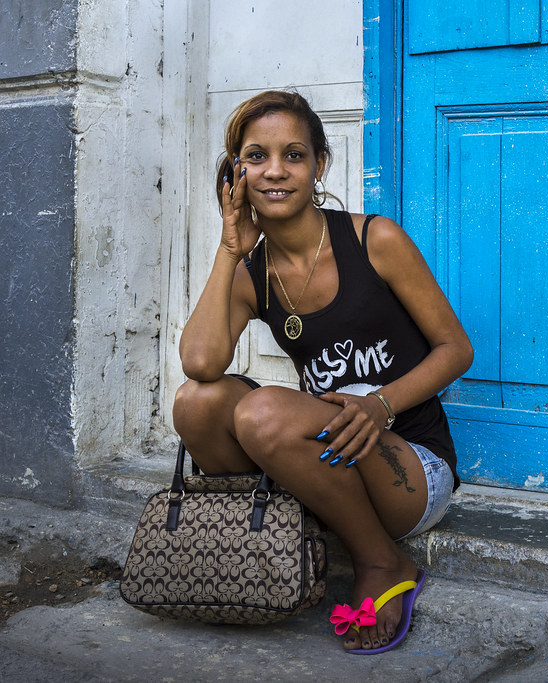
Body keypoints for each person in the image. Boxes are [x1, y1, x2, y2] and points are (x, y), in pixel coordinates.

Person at [172, 90, 473, 654]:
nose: (275, 171)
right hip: (328, 461)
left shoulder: (373, 239)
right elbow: (201, 364)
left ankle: (383, 560)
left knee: (261, 412)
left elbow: (455, 348)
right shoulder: (250, 273)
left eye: (294, 154)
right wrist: (229, 250)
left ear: (319, 165)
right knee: (196, 403)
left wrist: (380, 404)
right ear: (235, 172)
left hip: (408, 466)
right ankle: (263, 539)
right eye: (256, 156)